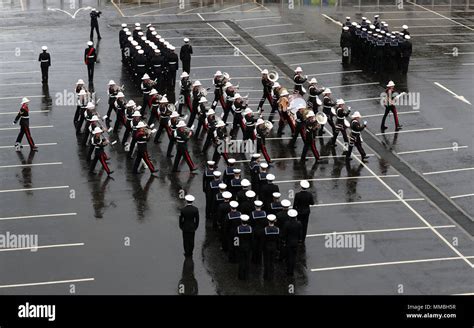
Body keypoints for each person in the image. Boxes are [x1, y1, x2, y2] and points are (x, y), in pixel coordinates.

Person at [281, 209, 302, 276]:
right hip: (295, 242)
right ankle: (292, 270)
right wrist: (300, 241)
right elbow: (300, 233)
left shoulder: (287, 224)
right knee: (293, 257)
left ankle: (289, 271)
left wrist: (283, 241)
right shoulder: (299, 223)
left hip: (288, 242)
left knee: (289, 257)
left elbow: (284, 234)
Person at [293, 180, 314, 245]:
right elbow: (312, 203)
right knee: (305, 225)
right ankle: (303, 239)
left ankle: (299, 238)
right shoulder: (309, 194)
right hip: (306, 212)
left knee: (299, 225)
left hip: (299, 212)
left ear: (301, 186)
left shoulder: (297, 195)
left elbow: (294, 205)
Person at [235, 214, 253, 280]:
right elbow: (252, 239)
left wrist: (236, 247)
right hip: (248, 247)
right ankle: (247, 275)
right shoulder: (250, 228)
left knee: (241, 262)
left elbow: (236, 239)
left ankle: (241, 276)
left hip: (241, 247)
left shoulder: (238, 228)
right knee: (247, 261)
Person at [262, 214, 279, 281]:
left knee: (266, 262)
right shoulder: (277, 229)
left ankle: (266, 275)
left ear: (268, 221)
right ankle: (271, 276)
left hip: (266, 247)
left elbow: (263, 240)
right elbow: (278, 240)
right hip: (274, 247)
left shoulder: (265, 230)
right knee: (272, 262)